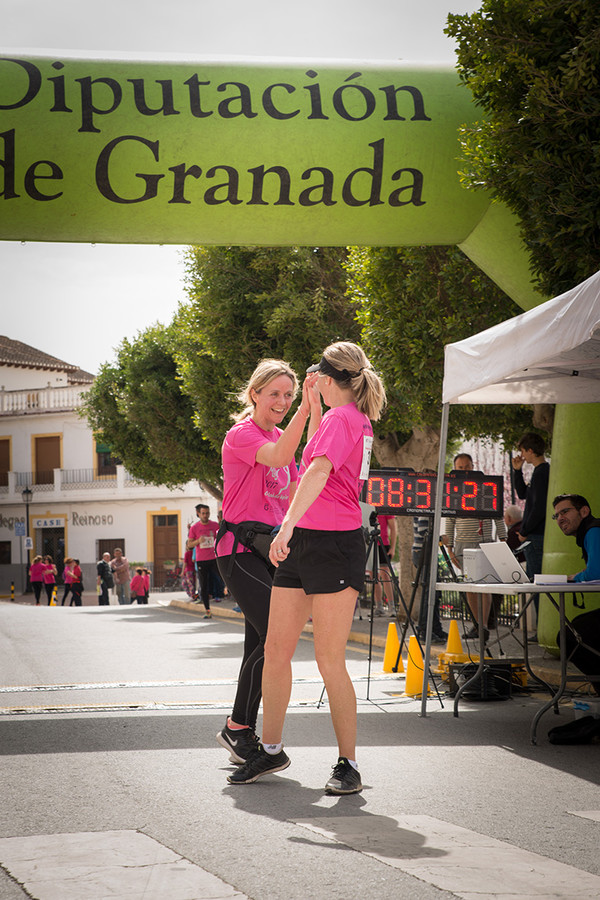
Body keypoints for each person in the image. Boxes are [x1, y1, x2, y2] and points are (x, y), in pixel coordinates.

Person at [228, 341, 385, 795]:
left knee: (328, 659)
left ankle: (348, 763)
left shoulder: (346, 418)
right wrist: (312, 404)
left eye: (318, 378)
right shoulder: (342, 418)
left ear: (332, 378)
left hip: (332, 544)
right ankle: (271, 749)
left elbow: (315, 473)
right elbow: (316, 458)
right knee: (277, 649)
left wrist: (285, 528)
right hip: (308, 543)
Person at [215, 358, 318, 768]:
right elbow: (277, 458)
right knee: (275, 638)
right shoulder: (242, 433)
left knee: (261, 645)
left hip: (273, 550)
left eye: (288, 395)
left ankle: (241, 730)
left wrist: (314, 409)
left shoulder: (281, 434)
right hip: (239, 551)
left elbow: (298, 474)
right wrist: (306, 410)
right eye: (274, 393)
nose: (281, 401)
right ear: (254, 393)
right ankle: (237, 726)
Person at [547, 494, 600, 743]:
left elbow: (596, 573)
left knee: (570, 635)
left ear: (584, 511)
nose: (560, 518)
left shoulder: (593, 531)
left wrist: (572, 578)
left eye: (565, 512)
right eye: (557, 515)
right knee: (576, 629)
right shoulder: (590, 532)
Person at [442, 453, 507, 642]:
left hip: (484, 543)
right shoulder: (452, 491)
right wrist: (450, 548)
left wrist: (503, 539)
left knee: (483, 586)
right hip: (463, 544)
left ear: (473, 466)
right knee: (470, 586)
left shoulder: (486, 489)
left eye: (467, 466)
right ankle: (477, 625)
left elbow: (498, 515)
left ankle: (484, 626)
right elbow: (450, 520)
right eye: (460, 467)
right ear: (455, 469)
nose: (465, 471)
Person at [512, 432, 549, 580]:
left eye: (522, 451)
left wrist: (525, 531)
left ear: (530, 450)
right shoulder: (540, 472)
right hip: (534, 535)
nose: (522, 455)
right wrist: (517, 471)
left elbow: (539, 507)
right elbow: (522, 494)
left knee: (536, 580)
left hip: (535, 536)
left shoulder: (541, 473)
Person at [186, 504, 219, 618]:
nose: (205, 515)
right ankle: (207, 610)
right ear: (198, 514)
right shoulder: (194, 528)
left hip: (215, 558)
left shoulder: (215, 525)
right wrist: (198, 541)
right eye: (203, 513)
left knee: (225, 580)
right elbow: (189, 545)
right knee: (204, 585)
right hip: (202, 560)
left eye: (207, 513)